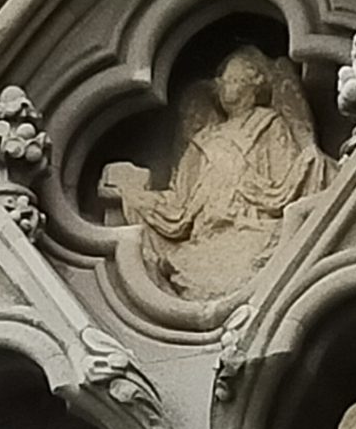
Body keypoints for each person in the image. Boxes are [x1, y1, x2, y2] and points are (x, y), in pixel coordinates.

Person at [100, 49, 334, 299]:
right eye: (222, 81)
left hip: (254, 228)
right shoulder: (204, 139)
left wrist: (309, 161)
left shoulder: (269, 125)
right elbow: (181, 201)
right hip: (205, 235)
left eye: (233, 81)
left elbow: (285, 180)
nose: (225, 88)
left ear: (253, 87)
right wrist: (131, 190)